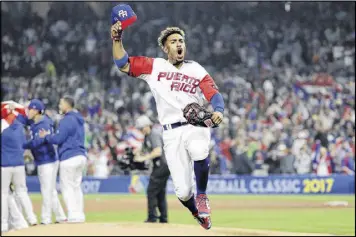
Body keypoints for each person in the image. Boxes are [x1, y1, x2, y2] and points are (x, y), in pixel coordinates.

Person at [111, 20, 225, 229]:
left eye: (181, 40)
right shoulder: (154, 66)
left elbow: (214, 94)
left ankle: (201, 196)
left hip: (195, 124)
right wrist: (117, 39)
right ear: (165, 48)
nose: (179, 44)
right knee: (182, 191)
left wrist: (218, 110)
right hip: (170, 133)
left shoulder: (196, 69)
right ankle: (195, 211)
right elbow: (123, 64)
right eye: (173, 41)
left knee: (200, 150)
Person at [37, 96, 87, 223]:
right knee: (76, 186)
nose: (59, 106)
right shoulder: (80, 119)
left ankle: (73, 214)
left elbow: (58, 139)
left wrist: (46, 136)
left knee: (67, 187)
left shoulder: (66, 120)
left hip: (69, 156)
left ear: (67, 105)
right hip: (81, 155)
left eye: (61, 104)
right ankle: (79, 214)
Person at [22, 99, 67, 225]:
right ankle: (60, 216)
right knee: (50, 190)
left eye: (30, 109)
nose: (28, 111)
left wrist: (21, 145)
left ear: (36, 111)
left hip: (47, 160)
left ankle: (45, 218)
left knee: (46, 190)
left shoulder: (44, 124)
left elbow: (37, 142)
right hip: (45, 160)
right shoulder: (37, 122)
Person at [1, 101, 38, 232]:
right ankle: (32, 218)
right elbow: (24, 112)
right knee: (22, 192)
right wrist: (14, 106)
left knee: (3, 194)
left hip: (4, 165)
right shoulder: (20, 126)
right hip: (19, 164)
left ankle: (3, 224)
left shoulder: (2, 126)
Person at [134, 115, 170, 224]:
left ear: (147, 125)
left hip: (162, 165)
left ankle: (152, 217)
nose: (140, 130)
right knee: (160, 193)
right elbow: (143, 149)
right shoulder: (147, 136)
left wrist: (143, 158)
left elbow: (158, 151)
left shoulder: (154, 134)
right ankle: (163, 218)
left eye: (141, 128)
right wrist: (136, 154)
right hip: (162, 166)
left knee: (151, 191)